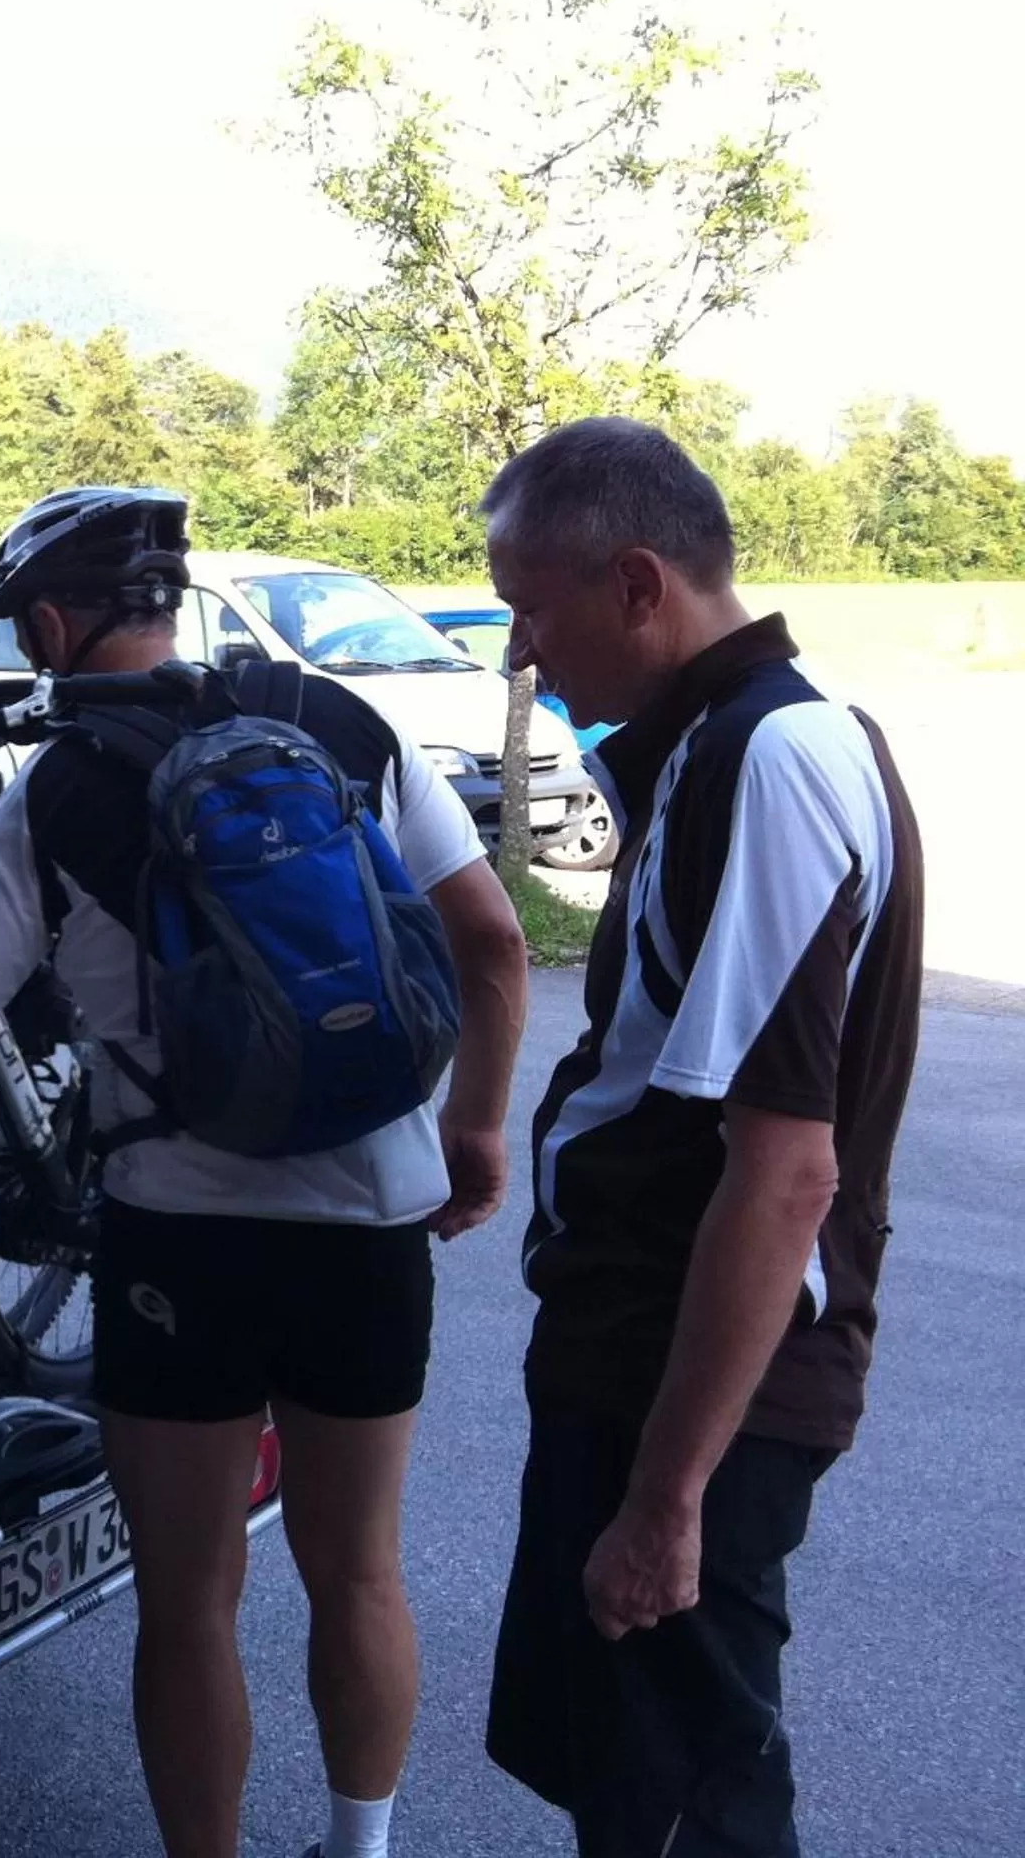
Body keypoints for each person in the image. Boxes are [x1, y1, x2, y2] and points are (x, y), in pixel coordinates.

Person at [0, 487, 531, 1858]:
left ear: (56, 624)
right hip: (369, 1217)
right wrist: (475, 1131)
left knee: (190, 1600)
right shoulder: (341, 725)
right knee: (358, 1570)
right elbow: (492, 945)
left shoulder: (49, 795)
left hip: (180, 1241)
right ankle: (359, 1848)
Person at [479, 418, 924, 1857]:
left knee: (692, 1808)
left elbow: (789, 1165)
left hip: (695, 1391)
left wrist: (668, 1497)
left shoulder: (777, 758)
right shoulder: (710, 746)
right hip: (632, 1356)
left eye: (528, 609)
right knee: (630, 1781)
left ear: (636, 583)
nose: (519, 658)